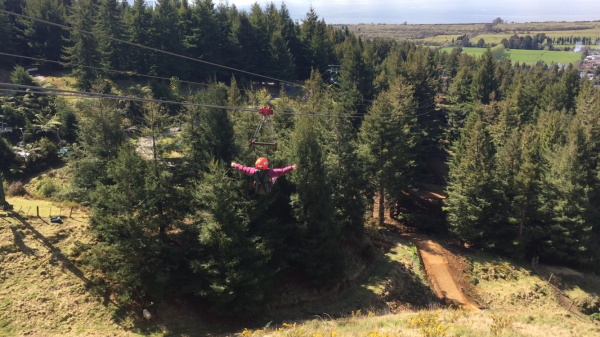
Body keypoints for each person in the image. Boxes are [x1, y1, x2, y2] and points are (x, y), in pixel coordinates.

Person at [231, 157, 297, 194]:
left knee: (259, 179)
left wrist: (236, 165)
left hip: (257, 189)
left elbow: (243, 169)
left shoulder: (253, 171)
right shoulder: (270, 172)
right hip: (268, 189)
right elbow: (282, 171)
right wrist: (291, 167)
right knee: (275, 176)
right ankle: (274, 178)